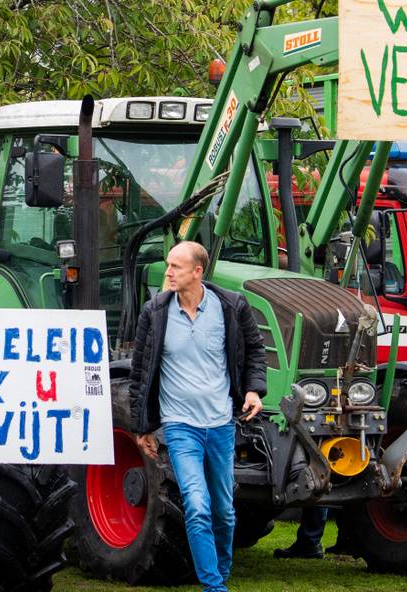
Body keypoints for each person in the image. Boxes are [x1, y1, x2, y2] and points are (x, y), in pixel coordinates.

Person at [129, 241, 267, 592]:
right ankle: (213, 587)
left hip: (220, 423)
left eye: (176, 266)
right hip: (179, 425)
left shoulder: (231, 307)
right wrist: (142, 427)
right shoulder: (155, 312)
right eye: (168, 265)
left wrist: (253, 390)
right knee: (197, 504)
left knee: (223, 510)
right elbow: (140, 371)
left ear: (197, 271)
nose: (168, 272)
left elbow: (254, 350)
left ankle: (220, 571)